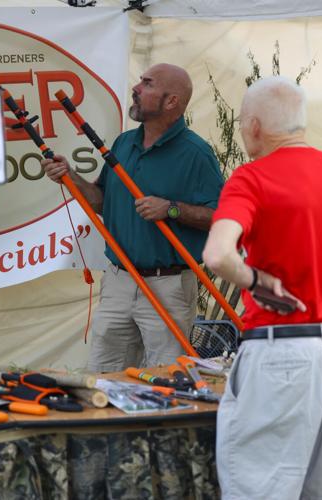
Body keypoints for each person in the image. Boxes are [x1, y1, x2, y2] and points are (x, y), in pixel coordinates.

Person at [202, 76, 322, 500]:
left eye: (242, 122)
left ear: (254, 125)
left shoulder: (251, 178)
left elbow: (218, 255)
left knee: (260, 489)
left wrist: (255, 281)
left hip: (278, 350)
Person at [41, 64, 224, 373]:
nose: (136, 88)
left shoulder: (196, 153)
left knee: (168, 379)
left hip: (168, 284)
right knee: (104, 375)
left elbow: (222, 217)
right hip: (118, 280)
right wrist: (71, 178)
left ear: (171, 102)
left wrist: (172, 209)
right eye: (140, 81)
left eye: (147, 84)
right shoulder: (124, 143)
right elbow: (103, 201)